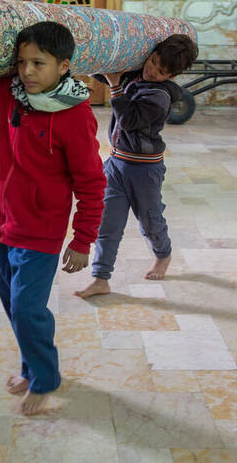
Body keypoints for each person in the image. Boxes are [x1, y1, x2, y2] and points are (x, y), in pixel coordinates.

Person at [0, 21, 106, 415]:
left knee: (26, 308)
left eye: (40, 63)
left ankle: (44, 378)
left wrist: (83, 240)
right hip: (0, 218)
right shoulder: (7, 92)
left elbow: (91, 182)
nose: (28, 72)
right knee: (10, 301)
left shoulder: (74, 116)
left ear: (64, 66)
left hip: (41, 229)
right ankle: (29, 365)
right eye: (21, 62)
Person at [75, 34, 198, 299]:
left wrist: (115, 86)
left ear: (172, 76)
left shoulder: (160, 96)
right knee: (107, 223)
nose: (152, 71)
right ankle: (100, 278)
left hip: (145, 171)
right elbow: (104, 73)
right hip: (116, 165)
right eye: (152, 62)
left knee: (150, 222)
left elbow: (129, 120)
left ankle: (163, 254)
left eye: (161, 71)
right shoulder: (135, 75)